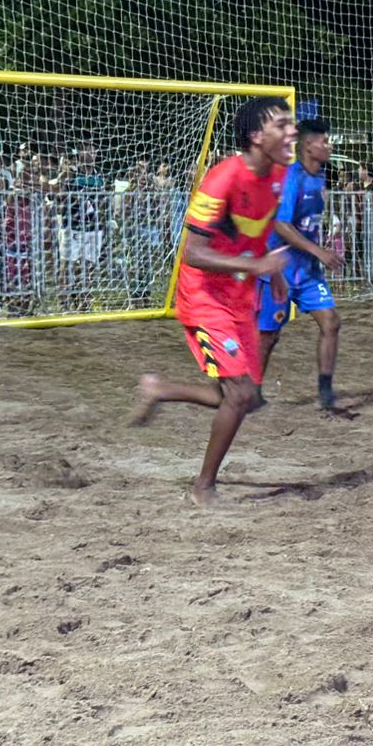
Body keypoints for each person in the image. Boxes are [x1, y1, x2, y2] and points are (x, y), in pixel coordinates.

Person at [130, 98, 295, 505]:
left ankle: (160, 389)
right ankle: (203, 487)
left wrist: (272, 273)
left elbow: (261, 227)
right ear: (257, 136)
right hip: (203, 294)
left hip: (240, 294)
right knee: (239, 395)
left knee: (244, 397)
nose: (293, 131)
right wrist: (257, 266)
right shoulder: (222, 179)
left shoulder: (277, 176)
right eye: (283, 125)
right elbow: (193, 252)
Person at [257, 117, 344, 411]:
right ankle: (251, 391)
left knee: (331, 323)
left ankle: (326, 392)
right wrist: (319, 251)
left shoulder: (320, 178)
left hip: (307, 272)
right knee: (269, 336)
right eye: (324, 142)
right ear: (308, 146)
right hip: (279, 271)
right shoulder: (291, 178)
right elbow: (280, 224)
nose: (329, 146)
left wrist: (319, 251)